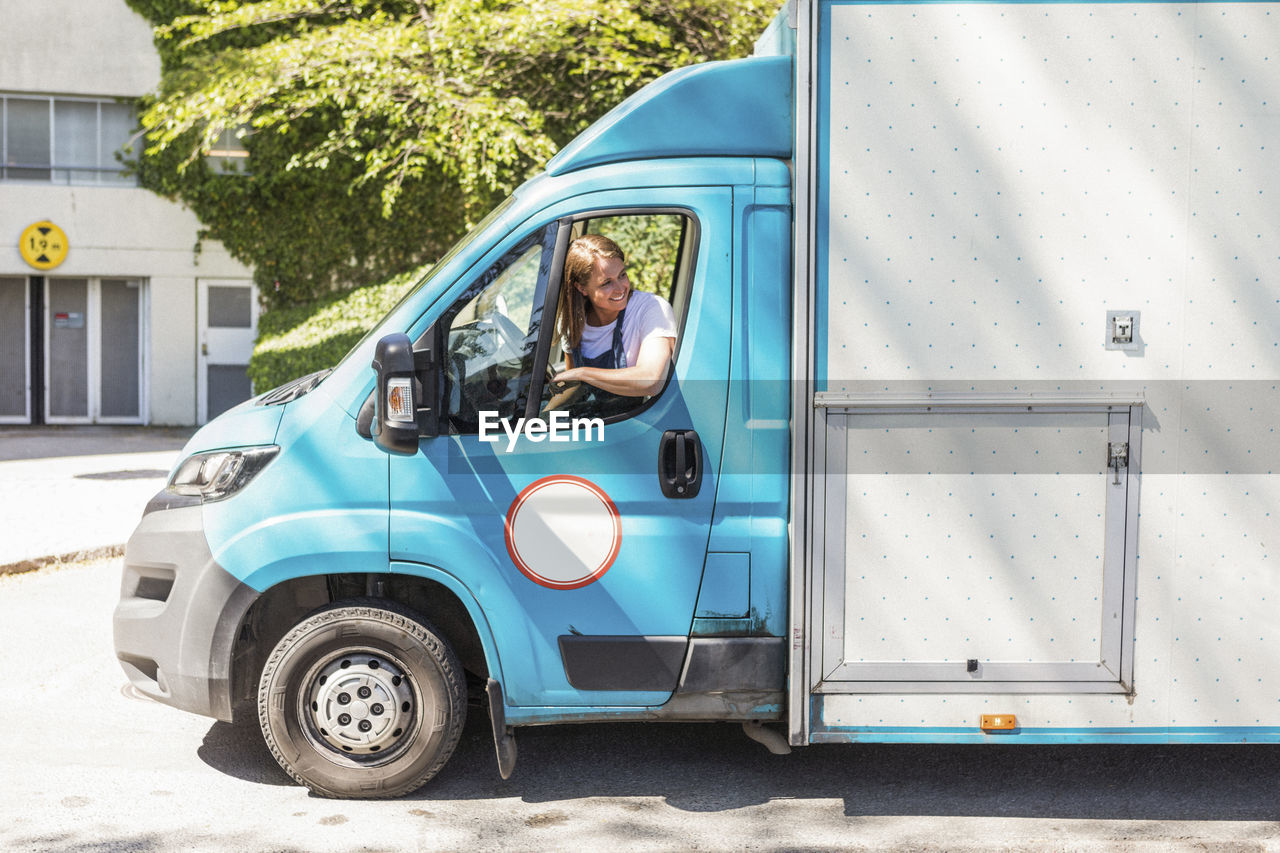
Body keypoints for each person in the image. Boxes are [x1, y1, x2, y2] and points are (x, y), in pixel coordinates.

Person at [552, 234, 677, 399]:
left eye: (622, 275)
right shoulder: (572, 322)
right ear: (582, 288)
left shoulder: (651, 309)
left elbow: (651, 381)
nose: (621, 288)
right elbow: (574, 390)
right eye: (606, 283)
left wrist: (582, 373)